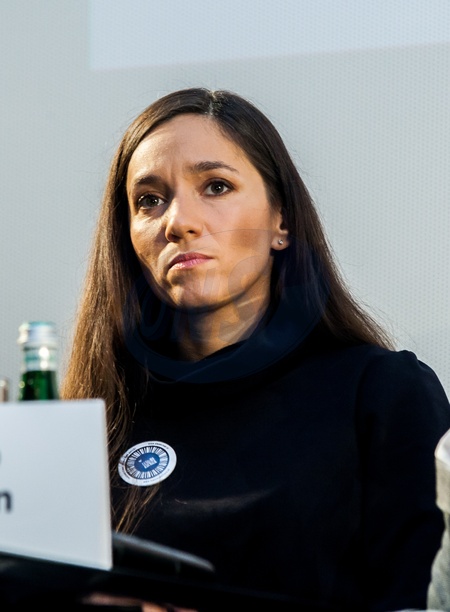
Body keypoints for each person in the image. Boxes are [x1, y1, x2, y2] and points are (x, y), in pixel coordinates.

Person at [58, 87, 450, 611]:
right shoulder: (97, 419)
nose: (178, 221)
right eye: (149, 200)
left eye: (216, 186)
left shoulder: (382, 394)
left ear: (281, 222)